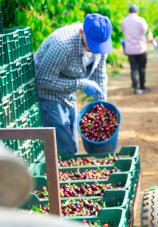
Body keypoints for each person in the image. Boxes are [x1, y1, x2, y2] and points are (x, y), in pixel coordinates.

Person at [34, 13, 112, 155]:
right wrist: (81, 84)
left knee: (73, 143)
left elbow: (99, 75)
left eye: (99, 47)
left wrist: (101, 107)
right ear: (82, 32)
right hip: (49, 95)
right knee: (65, 147)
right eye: (92, 46)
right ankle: (59, 174)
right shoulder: (62, 45)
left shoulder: (100, 44)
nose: (96, 51)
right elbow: (43, 80)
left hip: (69, 94)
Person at [121, 4, 158, 94]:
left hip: (129, 49)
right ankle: (142, 86)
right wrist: (153, 42)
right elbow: (147, 33)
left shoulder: (124, 21)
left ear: (129, 11)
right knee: (142, 68)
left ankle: (135, 87)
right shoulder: (141, 20)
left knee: (133, 68)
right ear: (137, 11)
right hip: (140, 48)